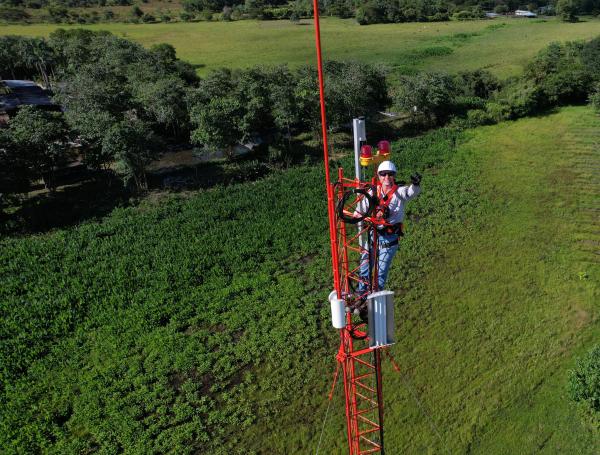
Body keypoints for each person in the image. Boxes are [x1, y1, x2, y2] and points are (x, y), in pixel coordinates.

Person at [355, 160, 421, 298]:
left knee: (381, 271)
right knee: (365, 262)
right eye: (383, 174)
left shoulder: (399, 192)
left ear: (394, 176)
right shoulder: (373, 191)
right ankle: (362, 291)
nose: (386, 178)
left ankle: (375, 297)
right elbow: (360, 208)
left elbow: (410, 193)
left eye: (390, 174)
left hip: (389, 239)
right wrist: (356, 215)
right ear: (379, 176)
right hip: (374, 235)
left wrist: (415, 185)